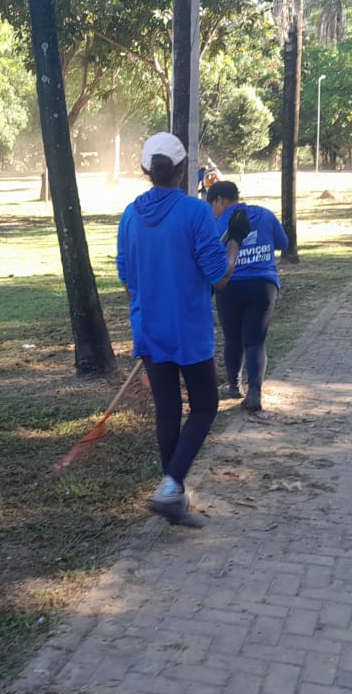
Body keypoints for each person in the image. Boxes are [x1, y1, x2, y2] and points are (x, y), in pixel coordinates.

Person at [117, 132, 250, 527]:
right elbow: (219, 277)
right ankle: (172, 484)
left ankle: (172, 495)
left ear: (146, 170)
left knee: (168, 411)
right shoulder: (195, 213)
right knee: (206, 406)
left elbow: (127, 280)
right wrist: (235, 242)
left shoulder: (129, 215)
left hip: (150, 328)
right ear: (181, 170)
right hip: (188, 330)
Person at [206, 180, 290, 413]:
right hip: (264, 285)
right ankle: (255, 391)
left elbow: (209, 255)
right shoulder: (264, 214)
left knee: (233, 338)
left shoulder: (217, 222)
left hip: (230, 285)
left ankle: (234, 386)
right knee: (255, 340)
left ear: (220, 200)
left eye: (212, 205)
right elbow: (284, 242)